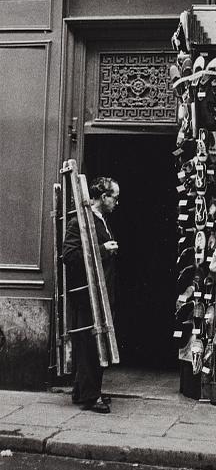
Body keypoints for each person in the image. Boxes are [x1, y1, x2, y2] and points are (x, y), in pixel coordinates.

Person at [62, 176, 120, 413]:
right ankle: (89, 396)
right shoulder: (80, 222)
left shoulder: (101, 220)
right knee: (89, 345)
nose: (117, 202)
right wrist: (103, 250)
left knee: (97, 344)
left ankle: (83, 391)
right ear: (103, 197)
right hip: (88, 296)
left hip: (102, 294)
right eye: (115, 197)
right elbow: (70, 256)